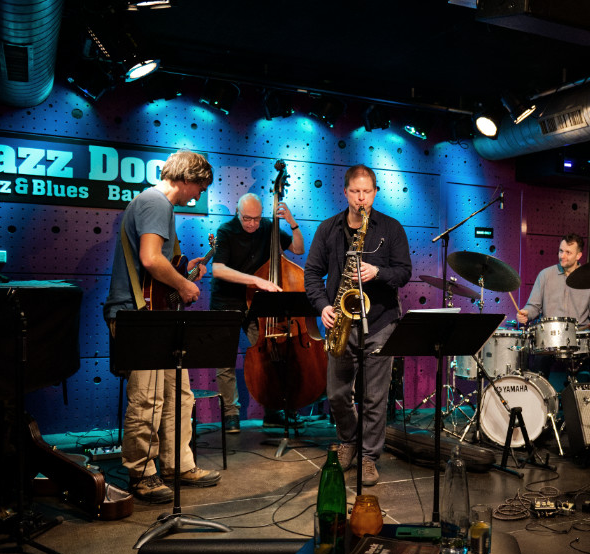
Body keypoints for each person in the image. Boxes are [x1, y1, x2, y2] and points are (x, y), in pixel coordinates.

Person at [104, 150, 222, 503]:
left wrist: (185, 271)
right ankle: (142, 473)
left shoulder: (157, 205)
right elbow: (151, 259)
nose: (199, 195)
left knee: (177, 396)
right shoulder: (156, 202)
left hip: (155, 314)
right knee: (148, 400)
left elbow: (159, 270)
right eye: (200, 187)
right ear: (186, 178)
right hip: (140, 317)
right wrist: (185, 285)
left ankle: (177, 464)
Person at [304, 165, 411, 486]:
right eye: (355, 191)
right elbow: (312, 274)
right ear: (346, 192)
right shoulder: (328, 229)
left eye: (367, 192)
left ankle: (368, 456)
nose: (361, 198)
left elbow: (404, 272)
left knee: (374, 398)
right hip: (341, 320)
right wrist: (323, 306)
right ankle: (349, 440)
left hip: (380, 320)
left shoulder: (391, 228)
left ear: (375, 192)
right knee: (337, 394)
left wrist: (377, 272)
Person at [210, 192, 305, 433]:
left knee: (267, 356)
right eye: (247, 218)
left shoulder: (268, 227)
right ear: (237, 213)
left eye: (256, 218)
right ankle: (231, 414)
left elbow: (298, 249)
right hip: (226, 302)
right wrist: (256, 280)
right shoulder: (226, 231)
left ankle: (273, 411)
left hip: (255, 303)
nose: (252, 223)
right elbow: (218, 269)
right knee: (225, 361)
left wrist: (292, 223)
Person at [515, 233, 590, 379]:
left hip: (579, 337)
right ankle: (539, 392)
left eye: (568, 252)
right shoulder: (545, 275)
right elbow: (534, 306)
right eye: (561, 251)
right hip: (550, 338)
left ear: (579, 255)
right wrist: (526, 313)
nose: (562, 256)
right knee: (538, 364)